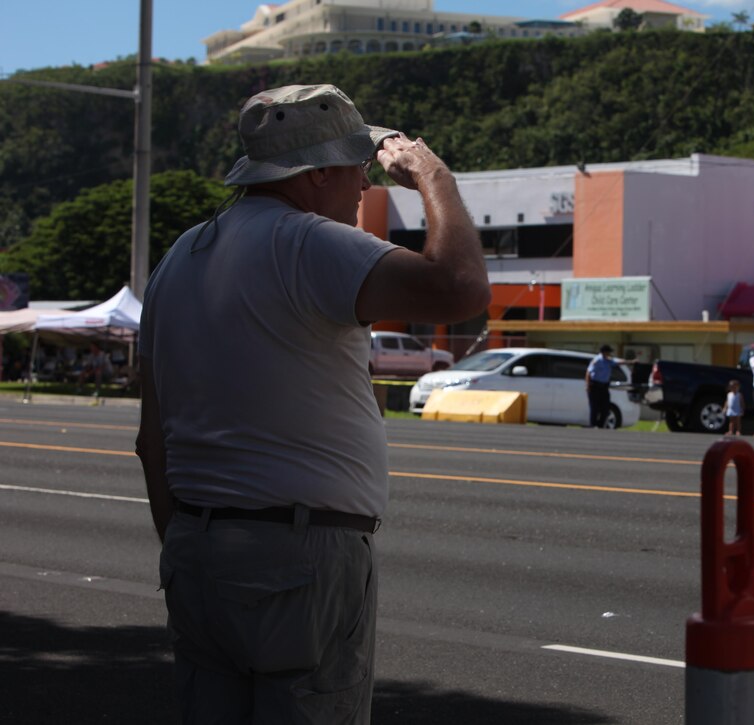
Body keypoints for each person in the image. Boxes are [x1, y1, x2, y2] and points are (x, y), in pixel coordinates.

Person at [135, 84, 490, 724]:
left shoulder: (175, 261)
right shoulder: (310, 242)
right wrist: (432, 174)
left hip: (196, 545)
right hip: (299, 554)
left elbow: (151, 440)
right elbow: (460, 285)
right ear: (318, 171)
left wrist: (189, 545)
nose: (363, 184)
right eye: (356, 165)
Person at [585, 344, 618, 428]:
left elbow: (617, 363)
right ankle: (593, 425)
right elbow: (588, 372)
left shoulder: (609, 361)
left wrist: (630, 362)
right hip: (595, 386)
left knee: (605, 407)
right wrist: (587, 385)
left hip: (604, 387)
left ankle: (600, 425)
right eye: (608, 352)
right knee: (594, 407)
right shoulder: (597, 360)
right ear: (604, 352)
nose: (609, 353)